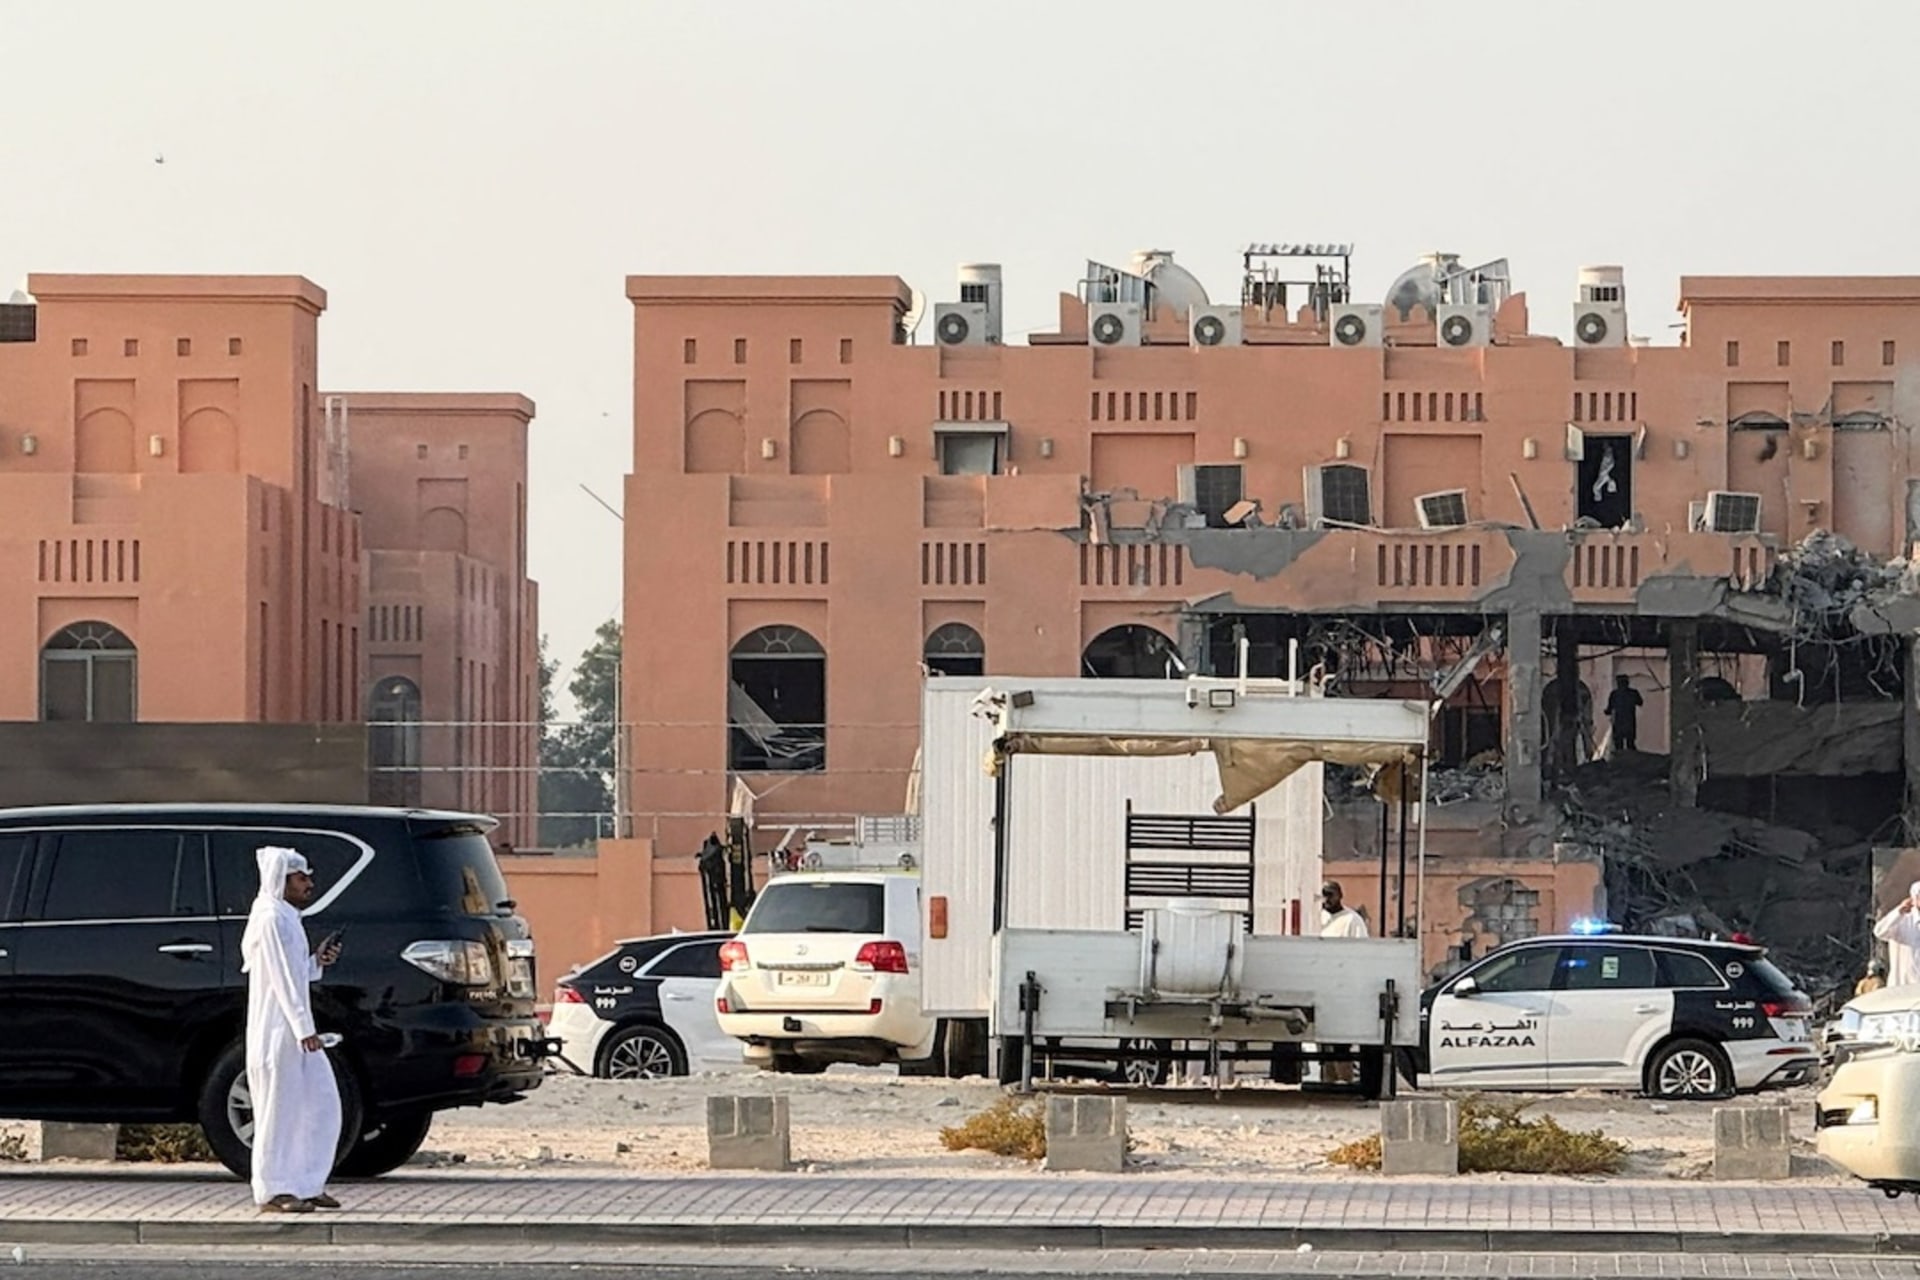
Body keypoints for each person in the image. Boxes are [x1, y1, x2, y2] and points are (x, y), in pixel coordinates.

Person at [242, 846, 344, 1213]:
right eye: (301, 878)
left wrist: (317, 962)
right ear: (281, 880)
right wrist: (304, 1028)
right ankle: (272, 1189)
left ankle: (306, 1181)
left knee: (318, 1103)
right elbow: (282, 981)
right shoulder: (270, 918)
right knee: (279, 1109)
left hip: (296, 1031)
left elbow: (295, 972)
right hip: (279, 1032)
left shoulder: (287, 917)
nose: (309, 884)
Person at [1318, 881, 1369, 1084]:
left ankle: (1345, 1080)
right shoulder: (1317, 918)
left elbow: (1361, 954)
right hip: (1321, 985)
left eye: (1329, 894)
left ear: (1340, 895)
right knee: (1323, 1039)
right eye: (1322, 895)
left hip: (1343, 987)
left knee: (1341, 1041)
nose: (1326, 899)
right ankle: (1327, 1080)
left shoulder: (1352, 920)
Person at [1873, 883, 1920, 988]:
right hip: (1901, 987)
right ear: (1914, 898)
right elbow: (1879, 932)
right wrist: (1899, 912)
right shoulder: (1901, 920)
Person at [1604, 675, 1643, 756]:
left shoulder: (1614, 694)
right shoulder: (1633, 693)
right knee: (1630, 743)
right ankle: (1631, 760)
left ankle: (1620, 760)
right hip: (1629, 722)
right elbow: (1640, 702)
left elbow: (1609, 709)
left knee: (1619, 745)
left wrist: (1607, 712)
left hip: (1619, 722)